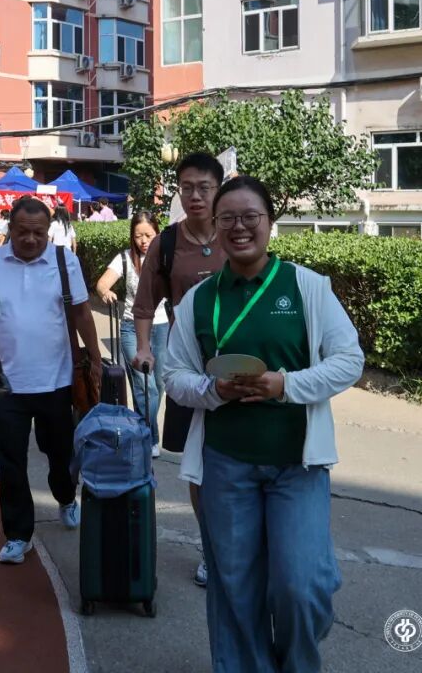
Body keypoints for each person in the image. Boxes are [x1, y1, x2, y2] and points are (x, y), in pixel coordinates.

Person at [163, 175, 363, 673]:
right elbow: (174, 376)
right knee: (236, 588)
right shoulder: (199, 300)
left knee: (302, 586)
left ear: (270, 222)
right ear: (215, 227)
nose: (239, 227)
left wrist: (285, 385)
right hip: (225, 466)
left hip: (297, 465)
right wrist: (213, 391)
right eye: (227, 218)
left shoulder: (307, 287)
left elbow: (348, 361)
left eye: (250, 217)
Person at [0, 198, 102, 565]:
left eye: (39, 233)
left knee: (60, 455)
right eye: (23, 232)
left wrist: (95, 359)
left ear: (49, 231)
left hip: (57, 381)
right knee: (10, 463)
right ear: (10, 228)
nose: (31, 239)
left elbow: (82, 312)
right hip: (6, 385)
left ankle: (66, 498)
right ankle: (18, 535)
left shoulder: (64, 261)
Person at [131, 152, 229, 588]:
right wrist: (144, 348)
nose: (195, 196)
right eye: (186, 187)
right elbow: (144, 304)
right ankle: (211, 548)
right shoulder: (166, 243)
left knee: (236, 460)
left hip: (238, 366)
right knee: (199, 463)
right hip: (188, 367)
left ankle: (239, 545)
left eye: (204, 187)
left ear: (218, 190)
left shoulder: (236, 232)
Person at [95, 212, 168, 458]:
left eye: (148, 235)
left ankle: (139, 429)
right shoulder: (124, 258)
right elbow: (102, 284)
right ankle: (150, 437)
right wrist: (105, 292)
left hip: (162, 326)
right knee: (145, 385)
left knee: (157, 384)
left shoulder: (166, 259)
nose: (143, 241)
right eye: (138, 236)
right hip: (131, 327)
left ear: (157, 233)